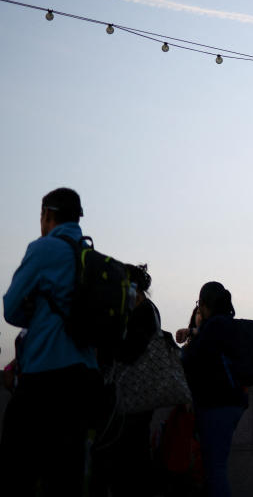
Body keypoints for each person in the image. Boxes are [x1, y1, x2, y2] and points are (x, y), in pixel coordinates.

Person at [0, 188, 101, 495]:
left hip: (45, 376)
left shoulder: (44, 249)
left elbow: (11, 306)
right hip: (86, 378)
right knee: (67, 476)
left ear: (47, 215)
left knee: (16, 467)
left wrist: (36, 313)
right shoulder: (91, 257)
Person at [97, 264, 161, 497]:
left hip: (133, 394)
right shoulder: (147, 311)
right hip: (138, 395)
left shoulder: (142, 313)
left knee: (131, 459)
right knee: (135, 457)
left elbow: (129, 351)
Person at [181, 281, 248, 497]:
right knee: (217, 465)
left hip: (216, 404)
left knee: (215, 468)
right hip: (233, 401)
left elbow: (190, 358)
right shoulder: (229, 325)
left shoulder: (215, 327)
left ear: (205, 303)